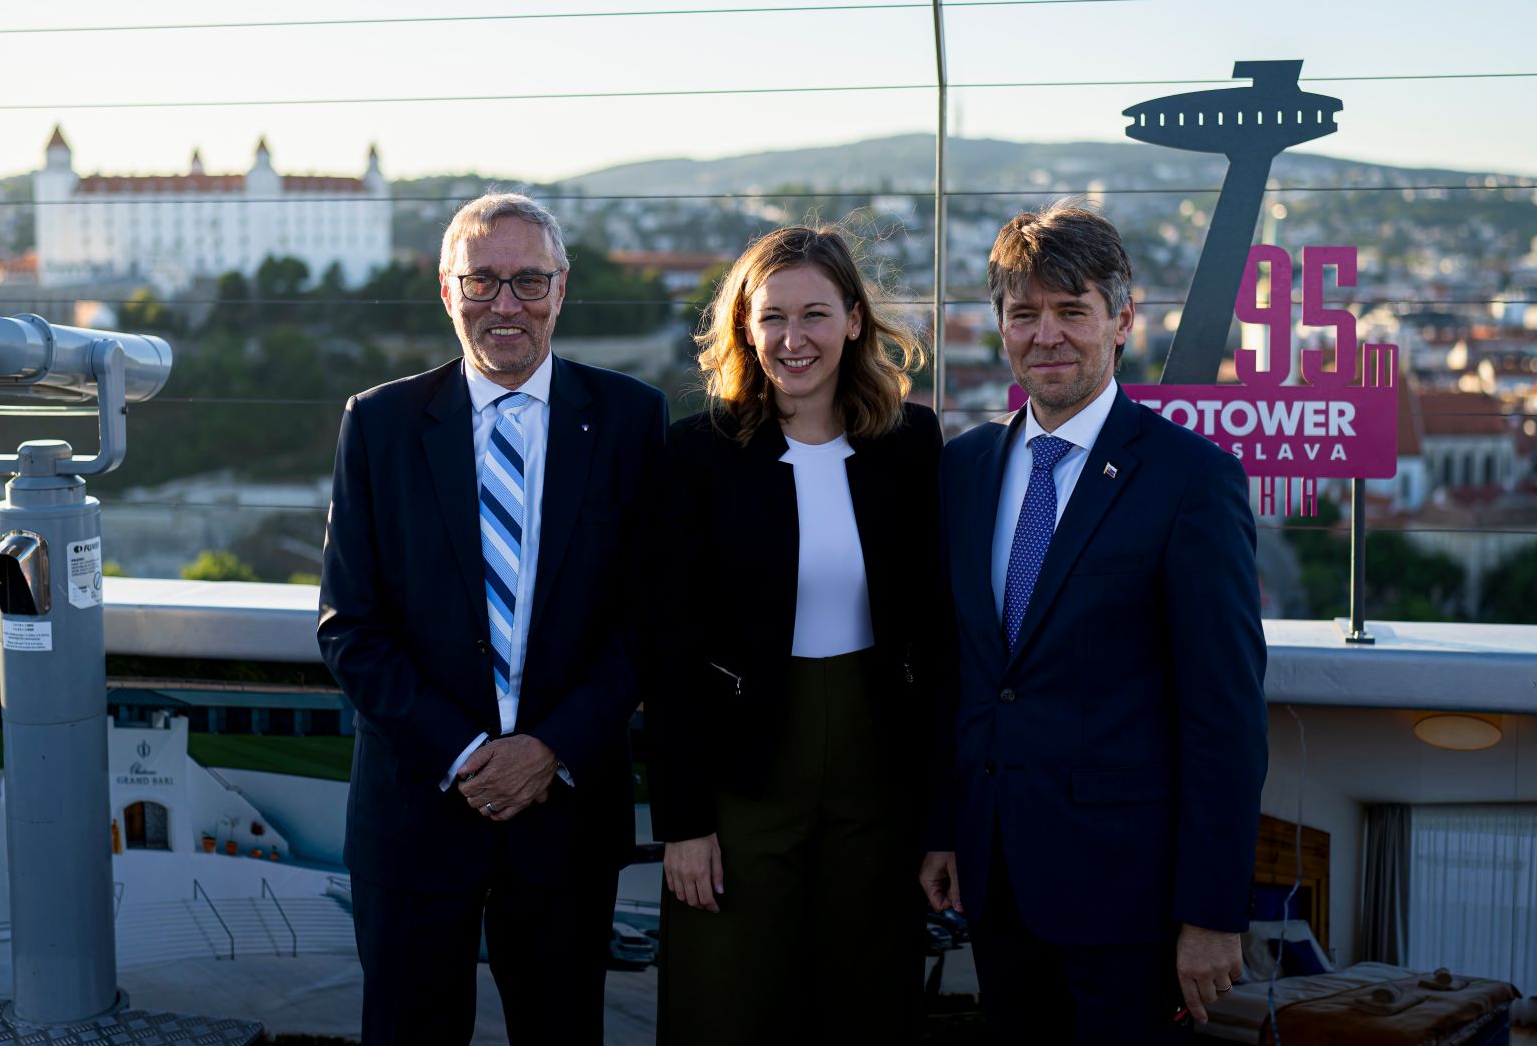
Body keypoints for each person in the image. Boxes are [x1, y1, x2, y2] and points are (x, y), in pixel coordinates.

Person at [318, 193, 668, 1046]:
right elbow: (349, 625)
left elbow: (649, 617)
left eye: (528, 282)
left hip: (566, 817)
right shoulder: (380, 423)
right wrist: (471, 754)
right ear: (447, 289)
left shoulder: (630, 419)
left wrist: (546, 750)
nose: (505, 305)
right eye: (483, 281)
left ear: (561, 288)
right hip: (415, 812)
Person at [920, 202, 1269, 1043]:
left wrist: (1214, 913)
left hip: (1129, 901)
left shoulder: (1191, 479)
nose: (1047, 335)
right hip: (997, 883)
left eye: (1072, 311)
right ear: (999, 326)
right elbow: (959, 674)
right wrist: (943, 831)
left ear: (1122, 320)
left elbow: (1224, 716)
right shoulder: (963, 468)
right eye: (1024, 313)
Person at [643, 225, 941, 1045]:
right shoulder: (697, 455)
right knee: (725, 1004)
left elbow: (939, 637)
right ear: (744, 326)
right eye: (771, 316)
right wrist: (683, 821)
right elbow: (668, 648)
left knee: (868, 1002)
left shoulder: (912, 445)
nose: (792, 338)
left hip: (877, 770)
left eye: (814, 314)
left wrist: (940, 821)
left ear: (854, 319)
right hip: (740, 775)